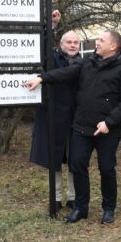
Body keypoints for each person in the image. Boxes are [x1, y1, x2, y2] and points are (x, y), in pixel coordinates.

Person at [25, 30, 121, 224]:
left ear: (113, 46)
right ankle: (81, 208)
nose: (97, 42)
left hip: (107, 130)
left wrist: (109, 122)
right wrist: (42, 78)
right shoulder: (88, 63)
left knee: (107, 169)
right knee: (77, 166)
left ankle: (108, 208)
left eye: (101, 40)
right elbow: (65, 73)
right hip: (82, 127)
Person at [29, 30, 81, 211]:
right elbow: (40, 46)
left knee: (76, 158)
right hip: (53, 116)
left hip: (76, 118)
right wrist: (51, 26)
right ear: (61, 44)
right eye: (69, 42)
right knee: (54, 158)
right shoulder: (51, 59)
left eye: (76, 42)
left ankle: (73, 197)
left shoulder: (84, 63)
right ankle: (56, 197)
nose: (72, 45)